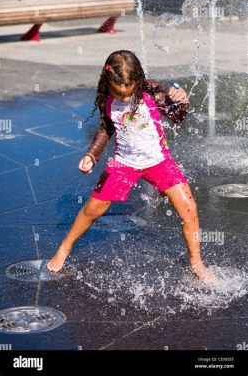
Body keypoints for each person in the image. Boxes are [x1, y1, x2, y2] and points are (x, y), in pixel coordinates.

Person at [47, 50, 214, 284]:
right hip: (124, 162)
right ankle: (64, 249)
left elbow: (176, 117)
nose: (124, 99)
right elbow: (106, 129)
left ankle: (196, 262)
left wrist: (181, 102)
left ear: (138, 80)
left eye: (128, 93)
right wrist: (92, 155)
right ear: (109, 84)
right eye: (119, 94)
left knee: (189, 208)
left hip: (159, 160)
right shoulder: (107, 98)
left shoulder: (152, 90)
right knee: (93, 208)